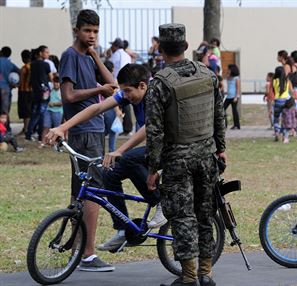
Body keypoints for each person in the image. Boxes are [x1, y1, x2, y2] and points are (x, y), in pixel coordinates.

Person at [46, 63, 167, 252]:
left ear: (143, 85)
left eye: (128, 91)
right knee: (108, 173)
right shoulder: (131, 94)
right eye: (123, 91)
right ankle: (123, 228)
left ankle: (161, 201)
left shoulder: (154, 94)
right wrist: (63, 127)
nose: (125, 96)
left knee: (127, 158)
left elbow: (149, 127)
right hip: (155, 145)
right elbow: (97, 108)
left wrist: (120, 150)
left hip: (172, 146)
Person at [145, 23, 226, 286]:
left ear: (160, 48)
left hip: (178, 161)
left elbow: (154, 131)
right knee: (205, 215)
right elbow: (219, 116)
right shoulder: (207, 75)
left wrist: (153, 168)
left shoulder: (159, 83)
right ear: (186, 46)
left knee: (182, 217)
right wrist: (221, 149)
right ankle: (207, 274)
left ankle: (189, 277)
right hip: (207, 156)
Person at [59, 9, 117, 272]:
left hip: (93, 130)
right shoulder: (70, 56)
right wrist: (98, 91)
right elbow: (69, 96)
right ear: (76, 30)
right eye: (87, 31)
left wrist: (95, 54)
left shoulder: (89, 56)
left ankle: (78, 249)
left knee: (81, 191)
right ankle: (88, 254)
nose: (91, 35)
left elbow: (113, 84)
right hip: (84, 132)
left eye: (95, 31)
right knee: (91, 193)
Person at [26, 45, 53, 144]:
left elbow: (30, 78)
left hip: (35, 92)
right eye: (46, 52)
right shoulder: (46, 65)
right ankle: (40, 134)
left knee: (34, 113)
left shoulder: (32, 64)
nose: (48, 54)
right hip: (44, 92)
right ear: (40, 53)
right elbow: (51, 78)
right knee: (42, 114)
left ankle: (29, 133)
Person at [272, 66, 293, 141]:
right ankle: (284, 134)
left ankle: (277, 132)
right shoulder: (287, 80)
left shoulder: (274, 81)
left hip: (278, 100)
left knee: (276, 118)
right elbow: (290, 90)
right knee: (284, 119)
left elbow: (274, 91)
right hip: (286, 101)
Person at [41, 75, 63, 145]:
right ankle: (43, 142)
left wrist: (54, 104)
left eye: (58, 82)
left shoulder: (61, 91)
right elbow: (45, 97)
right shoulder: (51, 89)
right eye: (55, 82)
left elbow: (63, 102)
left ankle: (56, 143)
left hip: (58, 112)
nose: (56, 84)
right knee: (46, 126)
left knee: (57, 128)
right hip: (49, 110)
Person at [0, 46, 20, 117]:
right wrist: (17, 84)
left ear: (1, 52)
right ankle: (5, 126)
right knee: (5, 109)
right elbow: (19, 72)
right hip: (6, 88)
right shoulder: (10, 64)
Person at [18, 50, 33, 135]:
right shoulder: (33, 66)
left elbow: (20, 81)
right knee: (29, 110)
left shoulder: (24, 68)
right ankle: (26, 128)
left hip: (24, 91)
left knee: (25, 111)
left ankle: (26, 129)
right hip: (31, 91)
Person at [224, 64, 241, 129]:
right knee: (223, 109)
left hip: (234, 97)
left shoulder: (236, 78)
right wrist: (227, 72)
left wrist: (236, 97)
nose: (228, 70)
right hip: (228, 96)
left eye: (229, 69)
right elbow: (224, 77)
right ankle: (225, 124)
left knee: (234, 111)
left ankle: (237, 125)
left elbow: (238, 88)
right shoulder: (228, 76)